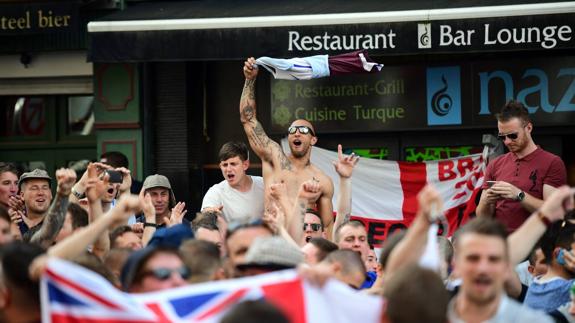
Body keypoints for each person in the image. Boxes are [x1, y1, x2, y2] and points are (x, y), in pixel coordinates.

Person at [240, 58, 334, 236]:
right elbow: (248, 119)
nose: (297, 133)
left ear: (313, 140)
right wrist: (249, 80)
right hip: (272, 238)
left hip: (302, 244)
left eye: (303, 130)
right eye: (292, 130)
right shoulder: (275, 157)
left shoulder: (322, 181)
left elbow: (327, 227)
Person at [477, 100, 567, 232]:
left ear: (528, 128)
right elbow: (483, 217)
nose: (507, 141)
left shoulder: (552, 162)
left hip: (536, 246)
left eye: (513, 135)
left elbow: (552, 212)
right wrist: (486, 201)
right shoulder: (495, 164)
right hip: (501, 244)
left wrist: (519, 195)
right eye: (502, 136)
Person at [448, 217, 552, 322]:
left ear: (507, 267)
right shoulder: (433, 314)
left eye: (493, 260)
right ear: (455, 264)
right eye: (473, 258)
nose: (483, 269)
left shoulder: (534, 320)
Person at [202, 142, 265, 223]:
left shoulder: (263, 184)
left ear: (245, 165)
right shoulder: (216, 191)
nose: (228, 169)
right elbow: (206, 213)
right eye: (225, 165)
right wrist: (210, 213)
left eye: (233, 164)